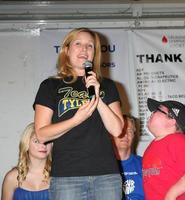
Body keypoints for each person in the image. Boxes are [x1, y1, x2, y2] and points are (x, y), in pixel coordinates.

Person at [33, 27, 124, 200]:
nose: (84, 49)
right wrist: (76, 120)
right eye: (78, 44)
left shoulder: (107, 86)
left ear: (94, 53)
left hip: (106, 176)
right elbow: (42, 134)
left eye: (90, 46)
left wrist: (97, 97)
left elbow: (117, 129)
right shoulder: (50, 86)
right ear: (67, 50)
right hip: (67, 176)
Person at [142, 98, 185, 200]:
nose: (152, 113)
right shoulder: (151, 147)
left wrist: (171, 195)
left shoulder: (180, 141)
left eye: (157, 111)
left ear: (172, 120)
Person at [1, 123, 52, 200]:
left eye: (47, 141)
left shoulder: (59, 175)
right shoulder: (12, 177)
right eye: (36, 141)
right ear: (26, 144)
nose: (43, 145)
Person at [112, 115, 145, 200]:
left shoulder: (144, 163)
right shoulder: (101, 166)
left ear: (133, 135)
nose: (125, 134)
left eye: (129, 131)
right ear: (111, 134)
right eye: (121, 130)